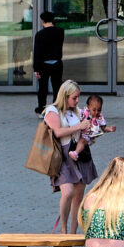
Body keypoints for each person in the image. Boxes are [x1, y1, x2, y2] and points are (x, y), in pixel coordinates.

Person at [42, 80, 97, 232]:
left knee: (78, 197)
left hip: (78, 154)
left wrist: (91, 133)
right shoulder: (52, 111)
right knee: (68, 193)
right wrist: (78, 126)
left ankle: (73, 232)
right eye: (74, 97)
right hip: (62, 156)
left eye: (78, 97)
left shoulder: (77, 111)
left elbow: (83, 132)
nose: (77, 100)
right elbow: (57, 132)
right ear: (65, 96)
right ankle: (63, 229)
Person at [31, 9, 65, 110]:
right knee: (57, 87)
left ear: (42, 21)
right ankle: (57, 108)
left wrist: (36, 68)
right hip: (57, 63)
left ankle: (42, 107)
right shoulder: (60, 32)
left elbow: (37, 52)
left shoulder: (40, 34)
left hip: (43, 65)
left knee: (43, 88)